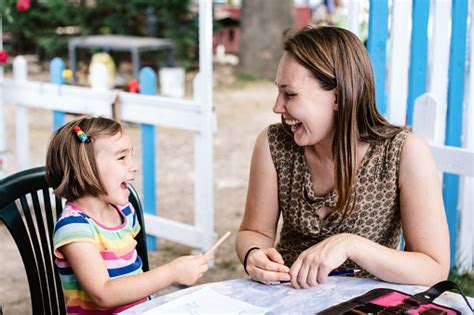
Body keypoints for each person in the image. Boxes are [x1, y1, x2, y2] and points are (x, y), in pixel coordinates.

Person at [235, 26, 449, 289]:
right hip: (287, 300)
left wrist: (351, 245)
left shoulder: (404, 153)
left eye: (290, 94)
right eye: (278, 92)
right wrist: (253, 255)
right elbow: (254, 232)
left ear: (338, 97)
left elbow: (434, 268)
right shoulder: (274, 144)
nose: (277, 107)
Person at [47, 116, 211, 314]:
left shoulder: (124, 212)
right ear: (85, 167)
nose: (133, 166)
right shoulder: (74, 228)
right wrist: (171, 273)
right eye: (121, 157)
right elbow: (103, 294)